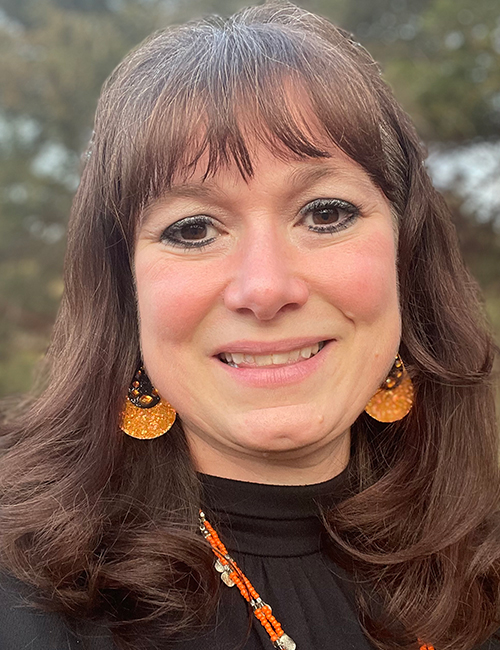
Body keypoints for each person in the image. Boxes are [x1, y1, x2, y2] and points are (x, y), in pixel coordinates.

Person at [0, 2, 499, 649]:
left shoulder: (481, 571)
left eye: (324, 213)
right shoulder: (28, 600)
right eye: (193, 228)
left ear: (404, 258)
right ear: (123, 290)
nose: (265, 288)